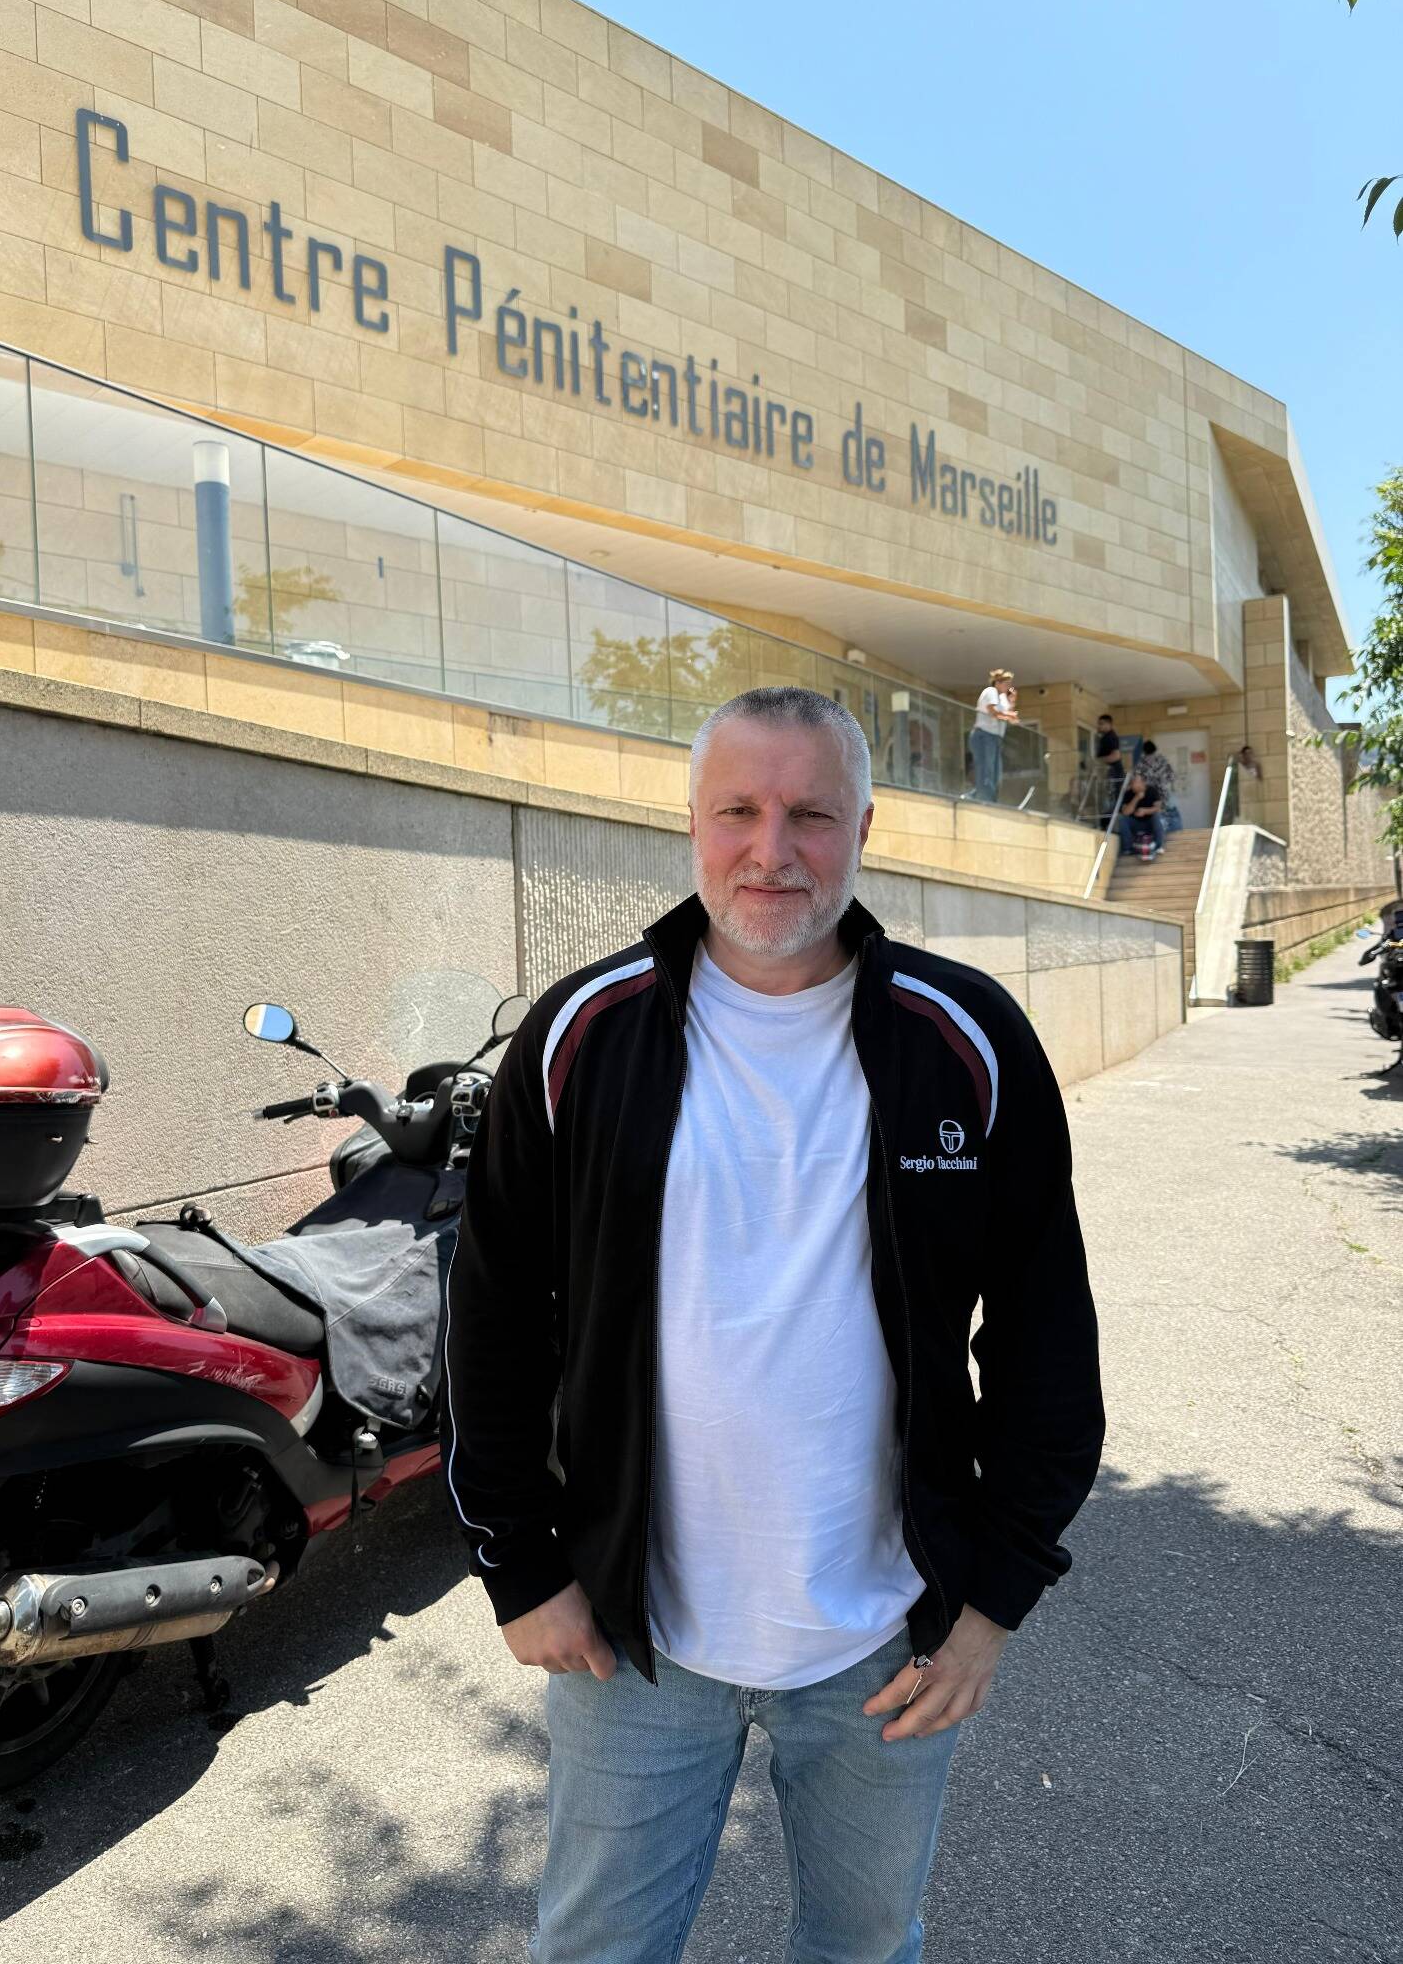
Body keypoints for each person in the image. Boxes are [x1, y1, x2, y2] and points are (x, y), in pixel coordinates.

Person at [444, 685, 1106, 1964]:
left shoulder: (965, 1040)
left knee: (863, 1946)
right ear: (691, 822)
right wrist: (518, 1563)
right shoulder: (581, 1035)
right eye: (738, 809)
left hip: (887, 1639)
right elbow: (494, 1310)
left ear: (864, 827)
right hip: (633, 1636)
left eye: (810, 812)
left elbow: (1043, 1338)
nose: (771, 848)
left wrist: (994, 1602)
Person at [969, 666, 1018, 803]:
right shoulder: (990, 691)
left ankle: (982, 796)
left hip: (995, 738)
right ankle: (985, 799)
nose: (1008, 687)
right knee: (986, 769)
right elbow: (993, 712)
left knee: (995, 773)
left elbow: (1007, 714)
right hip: (984, 736)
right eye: (1006, 684)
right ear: (997, 683)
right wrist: (1010, 716)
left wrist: (1012, 702)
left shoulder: (1002, 698)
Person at [1116, 772, 1165, 858]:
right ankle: (1128, 848)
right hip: (1135, 824)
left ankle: (1158, 846)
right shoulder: (1129, 793)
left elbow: (1158, 808)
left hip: (1150, 823)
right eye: (1131, 783)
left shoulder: (1152, 790)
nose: (1132, 785)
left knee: (1157, 816)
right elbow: (1125, 812)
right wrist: (1136, 798)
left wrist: (1145, 811)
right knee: (1122, 818)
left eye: (1134, 782)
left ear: (1142, 782)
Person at [1139, 738, 1181, 832]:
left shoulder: (1141, 763)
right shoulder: (1162, 760)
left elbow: (1138, 779)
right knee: (1165, 814)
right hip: (1163, 793)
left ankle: (1156, 833)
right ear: (1154, 749)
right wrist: (1163, 781)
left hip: (1149, 795)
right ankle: (1167, 831)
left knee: (1153, 815)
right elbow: (1172, 777)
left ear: (1144, 750)